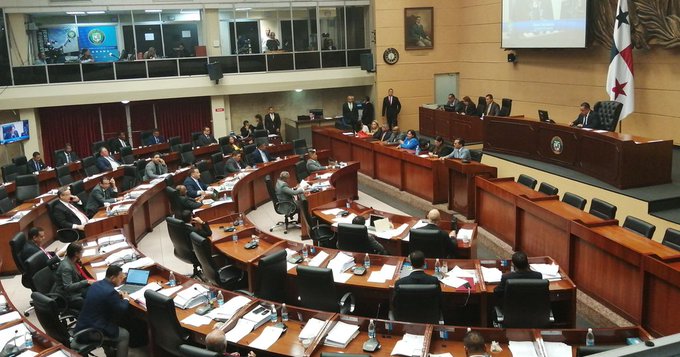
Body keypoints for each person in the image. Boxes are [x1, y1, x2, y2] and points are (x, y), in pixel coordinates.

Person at [75, 265, 130, 357]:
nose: (122, 280)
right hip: (92, 331)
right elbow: (122, 308)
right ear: (112, 278)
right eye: (120, 278)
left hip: (82, 325)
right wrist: (126, 299)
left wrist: (116, 295)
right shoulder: (110, 292)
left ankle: (110, 353)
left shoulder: (96, 284)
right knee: (124, 335)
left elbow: (86, 294)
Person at [51, 242, 92, 309]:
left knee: (96, 290)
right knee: (94, 300)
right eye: (82, 252)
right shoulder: (67, 267)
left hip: (75, 288)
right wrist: (86, 282)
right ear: (76, 254)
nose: (83, 253)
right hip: (69, 295)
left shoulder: (71, 260)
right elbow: (68, 287)